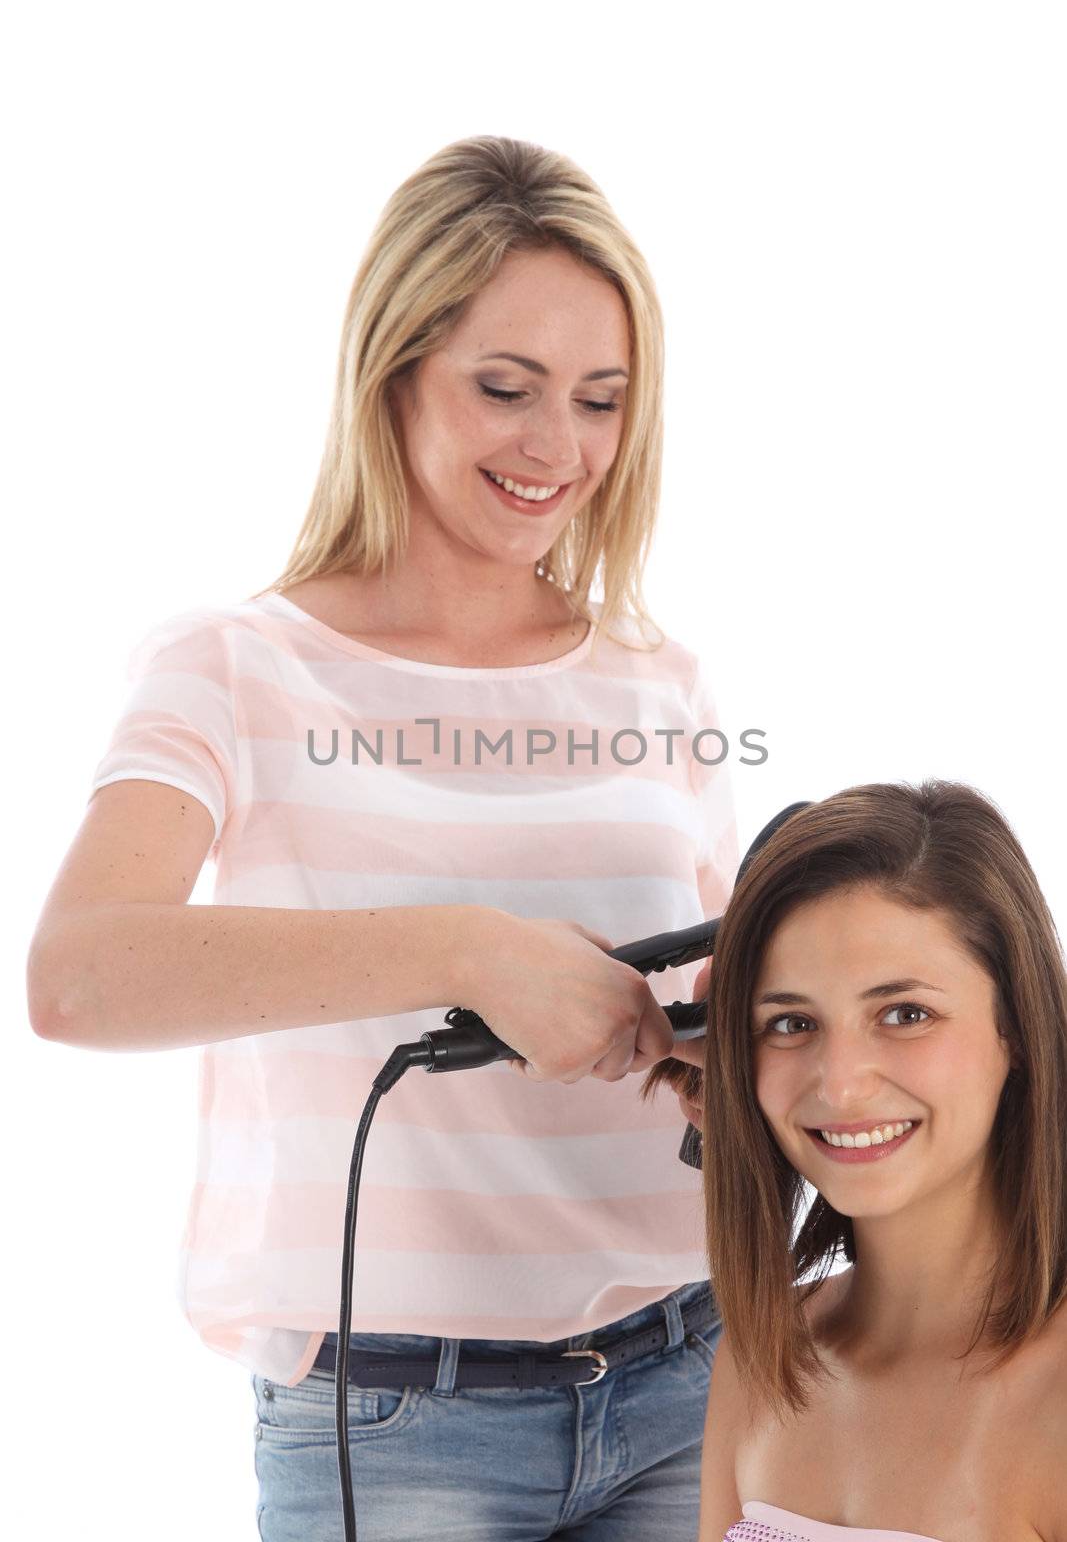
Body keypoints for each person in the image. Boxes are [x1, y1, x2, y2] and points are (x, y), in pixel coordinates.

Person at [26, 135, 739, 1540]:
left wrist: (729, 1058)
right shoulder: (232, 668)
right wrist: (465, 953)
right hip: (393, 1432)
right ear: (391, 371)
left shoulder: (658, 681)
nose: (558, 449)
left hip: (688, 1385)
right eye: (504, 388)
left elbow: (720, 1011)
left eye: (599, 401)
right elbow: (80, 977)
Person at [642, 779, 1067, 1542]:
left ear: (1017, 1028)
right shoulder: (762, 1354)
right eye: (790, 1022)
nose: (838, 1083)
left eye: (905, 1014)